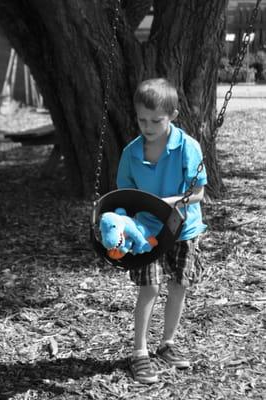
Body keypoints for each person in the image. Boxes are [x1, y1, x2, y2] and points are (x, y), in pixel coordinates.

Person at [116, 78, 207, 384]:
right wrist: (122, 226)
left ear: (174, 115)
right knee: (150, 288)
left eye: (156, 120)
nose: (148, 126)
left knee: (179, 284)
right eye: (142, 119)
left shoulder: (187, 147)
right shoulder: (131, 153)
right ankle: (139, 352)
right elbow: (124, 196)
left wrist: (164, 203)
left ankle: (167, 343)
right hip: (146, 231)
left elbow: (197, 193)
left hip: (183, 228)